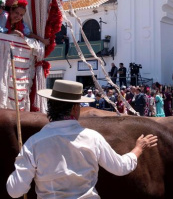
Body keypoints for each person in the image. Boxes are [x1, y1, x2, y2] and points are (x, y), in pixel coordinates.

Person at [6, 80, 158, 198]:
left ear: (50, 107)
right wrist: (138, 148)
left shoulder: (34, 143)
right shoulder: (93, 138)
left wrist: (19, 166)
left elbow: (15, 191)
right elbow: (120, 168)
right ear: (75, 109)